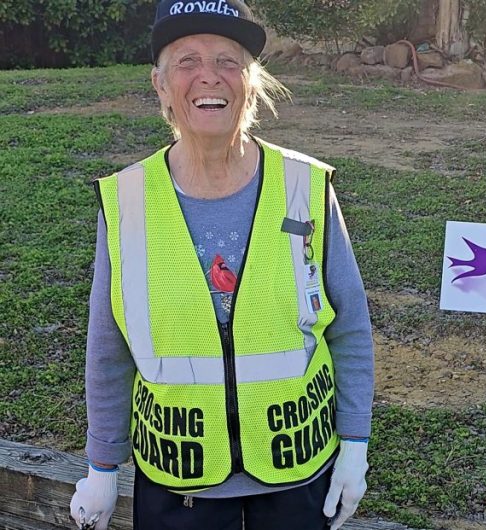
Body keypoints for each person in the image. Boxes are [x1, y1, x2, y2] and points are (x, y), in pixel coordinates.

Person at [69, 1, 375, 529]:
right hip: (178, 483)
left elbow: (349, 327)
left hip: (297, 476)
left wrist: (354, 443)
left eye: (228, 61)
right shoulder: (127, 202)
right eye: (186, 60)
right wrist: (101, 465)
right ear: (160, 85)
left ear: (252, 83)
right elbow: (109, 345)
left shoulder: (305, 188)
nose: (208, 76)